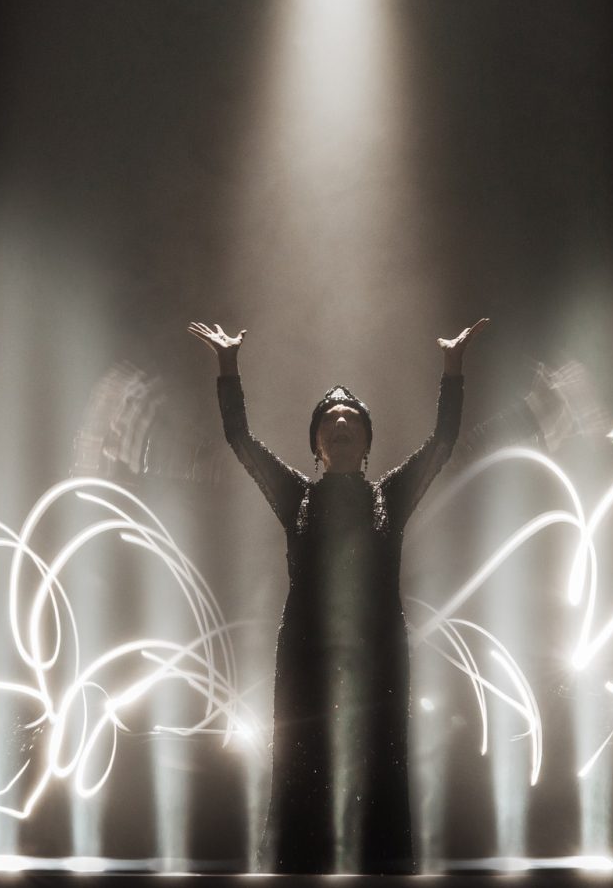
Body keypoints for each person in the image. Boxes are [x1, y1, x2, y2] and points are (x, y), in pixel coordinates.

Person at [188, 319, 488, 874]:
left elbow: (442, 443)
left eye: (351, 418)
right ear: (316, 445)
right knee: (302, 765)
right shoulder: (296, 496)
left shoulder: (390, 496)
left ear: (368, 442)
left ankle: (381, 870)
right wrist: (228, 367)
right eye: (331, 419)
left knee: (381, 763)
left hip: (380, 657)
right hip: (305, 655)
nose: (341, 422)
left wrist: (452, 368)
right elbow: (242, 442)